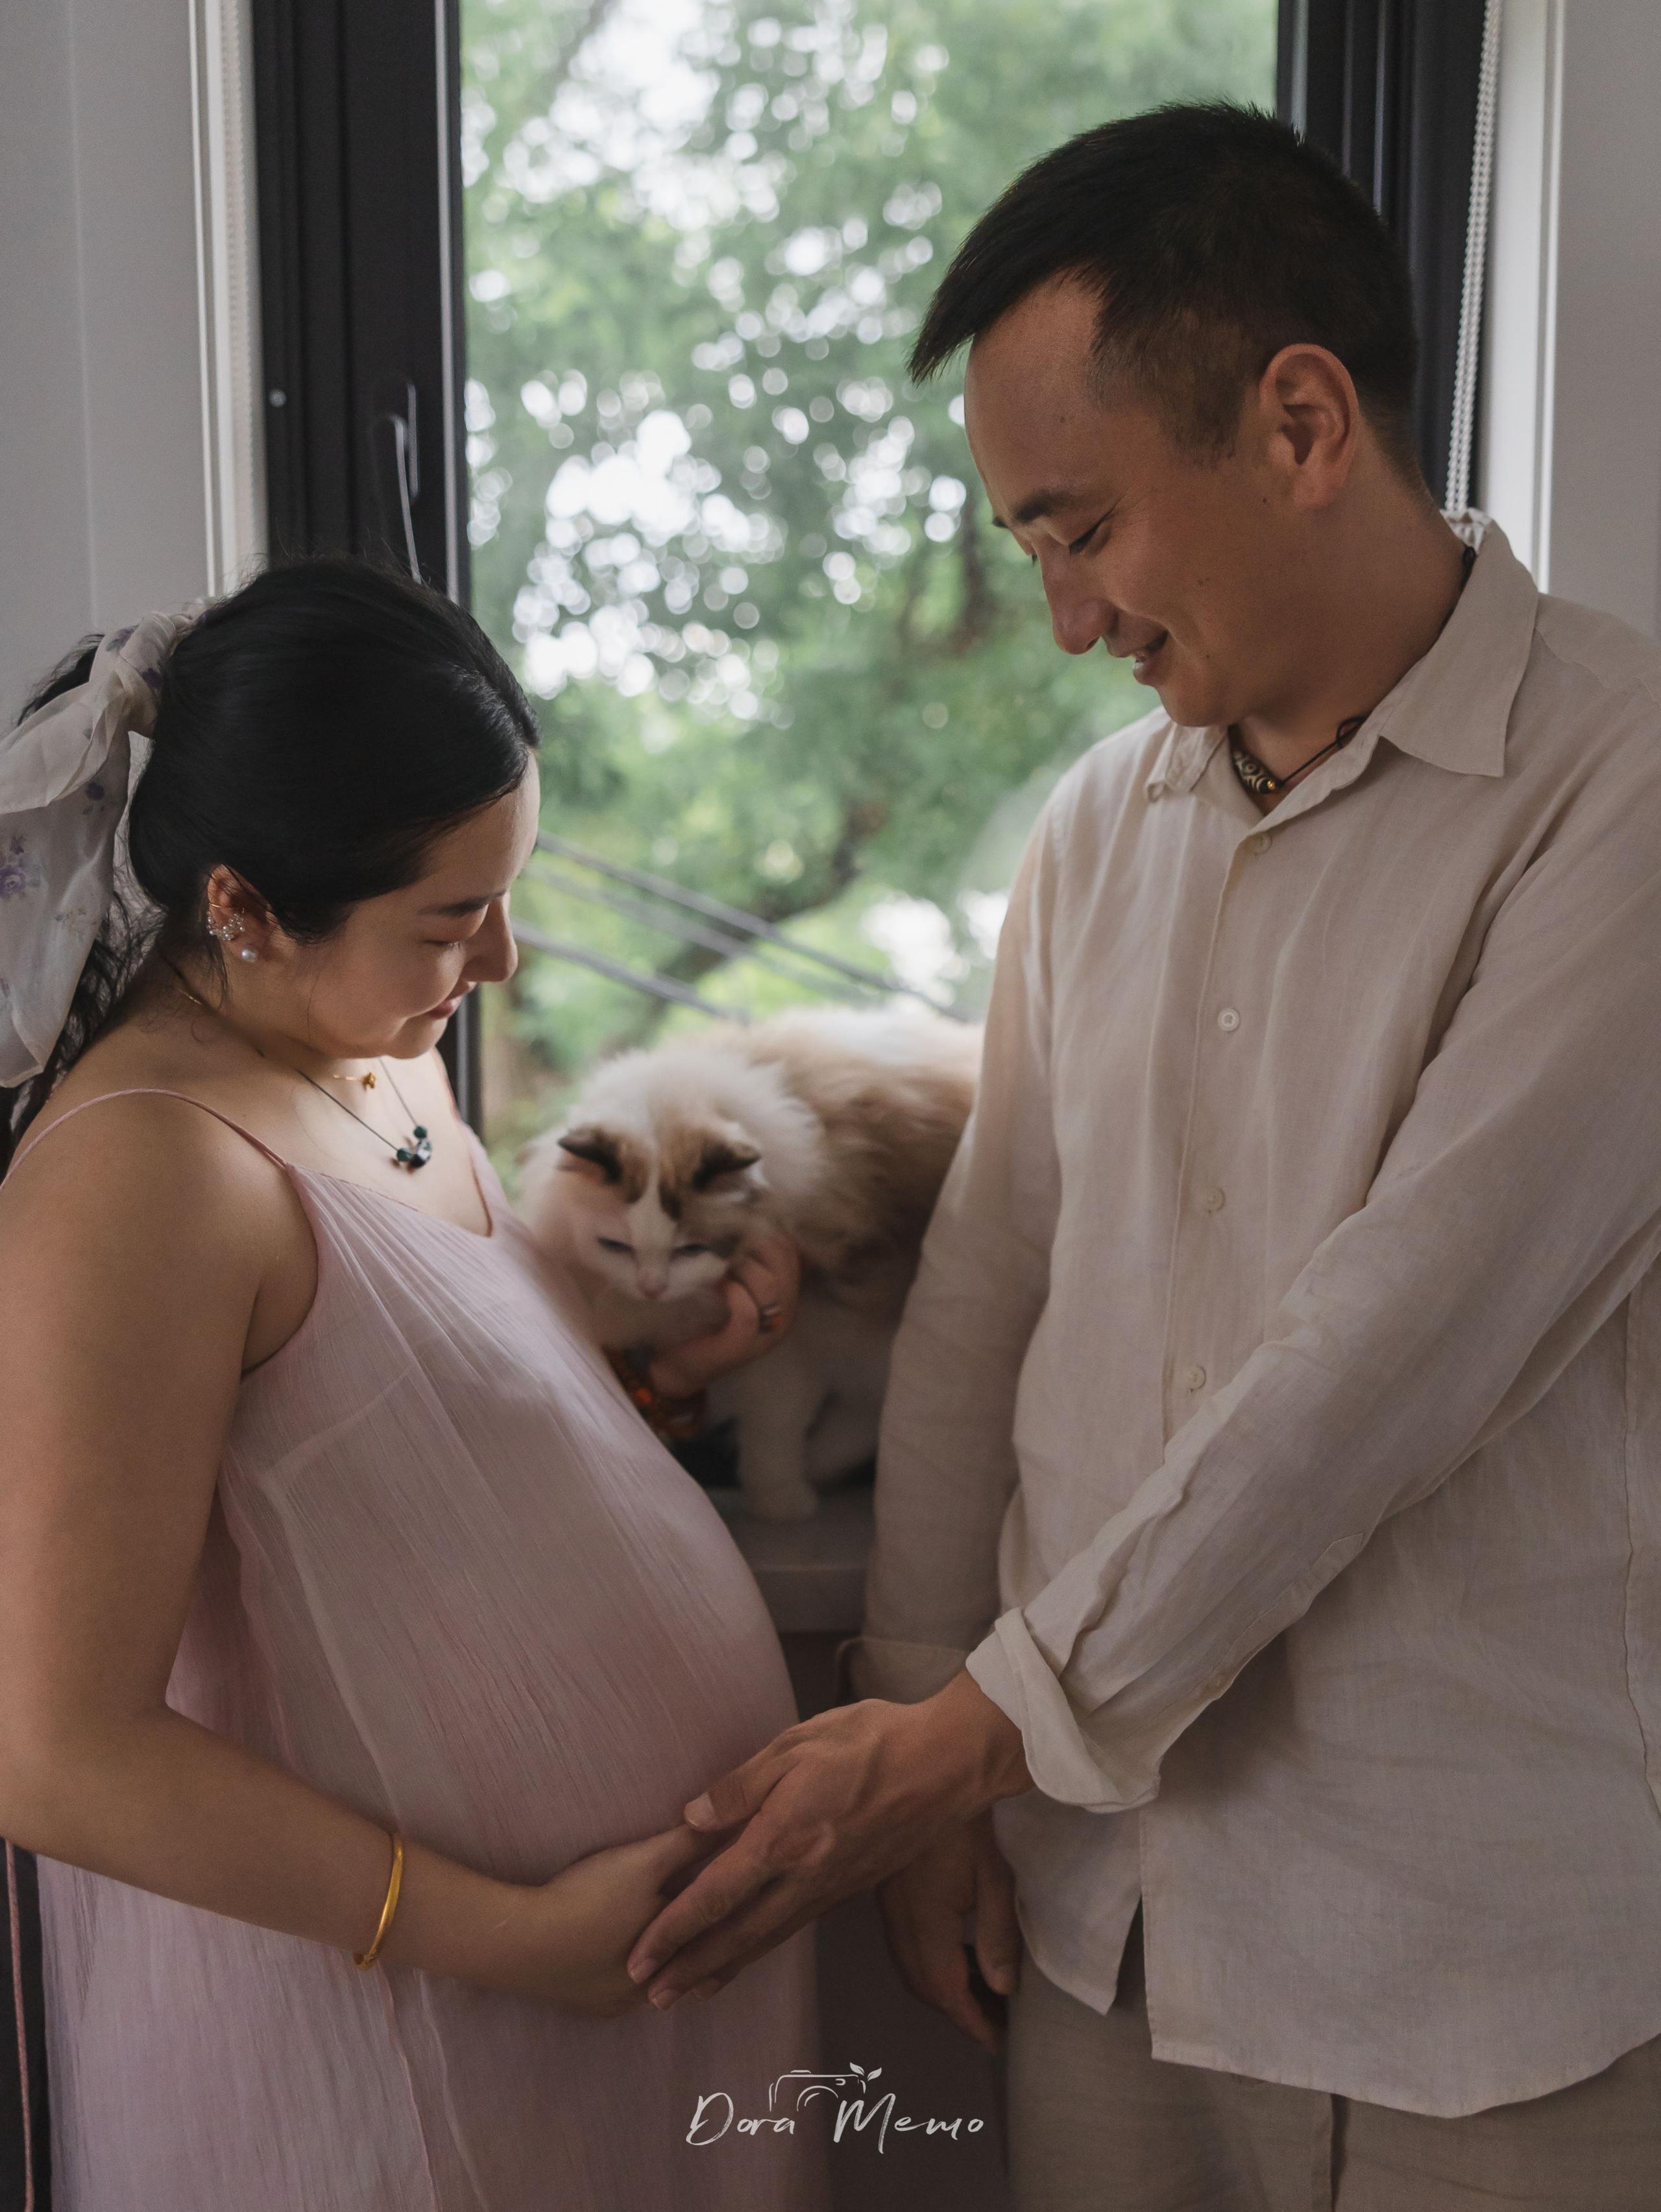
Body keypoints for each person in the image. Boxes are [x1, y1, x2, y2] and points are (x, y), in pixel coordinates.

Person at [620, 104, 1661, 2209]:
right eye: (1028, 549)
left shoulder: (1617, 791)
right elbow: (989, 1296)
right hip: (1103, 1930)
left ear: (1299, 424)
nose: (1069, 619)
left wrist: (950, 1747)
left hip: (1479, 1972)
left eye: (1080, 530)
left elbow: (1387, 1364)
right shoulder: (1100, 834)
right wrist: (944, 1757)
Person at [0, 562, 825, 2211]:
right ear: (241, 906)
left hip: (586, 2008)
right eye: (452, 919)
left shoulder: (372, 1047)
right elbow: (55, 1748)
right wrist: (513, 1935)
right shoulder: (144, 1173)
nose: (503, 959)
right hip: (394, 2038)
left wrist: (651, 1386)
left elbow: (402, 1450)